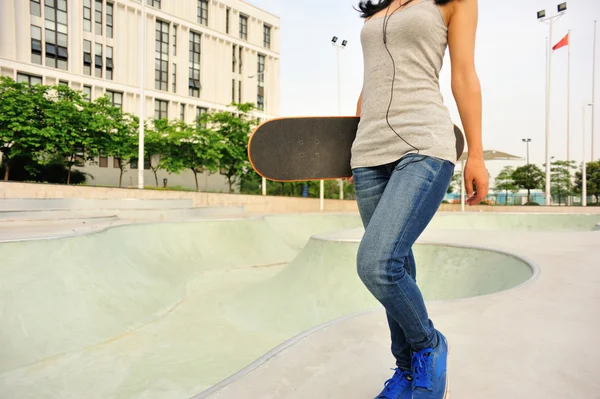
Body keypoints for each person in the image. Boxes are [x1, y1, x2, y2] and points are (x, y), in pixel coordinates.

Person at [349, 0, 488, 398]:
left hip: (424, 144)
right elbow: (371, 82)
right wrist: (351, 143)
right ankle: (408, 370)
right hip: (368, 154)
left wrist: (475, 152)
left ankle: (429, 345)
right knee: (398, 265)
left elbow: (463, 74)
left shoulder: (454, 2)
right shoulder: (379, 9)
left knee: (376, 264)